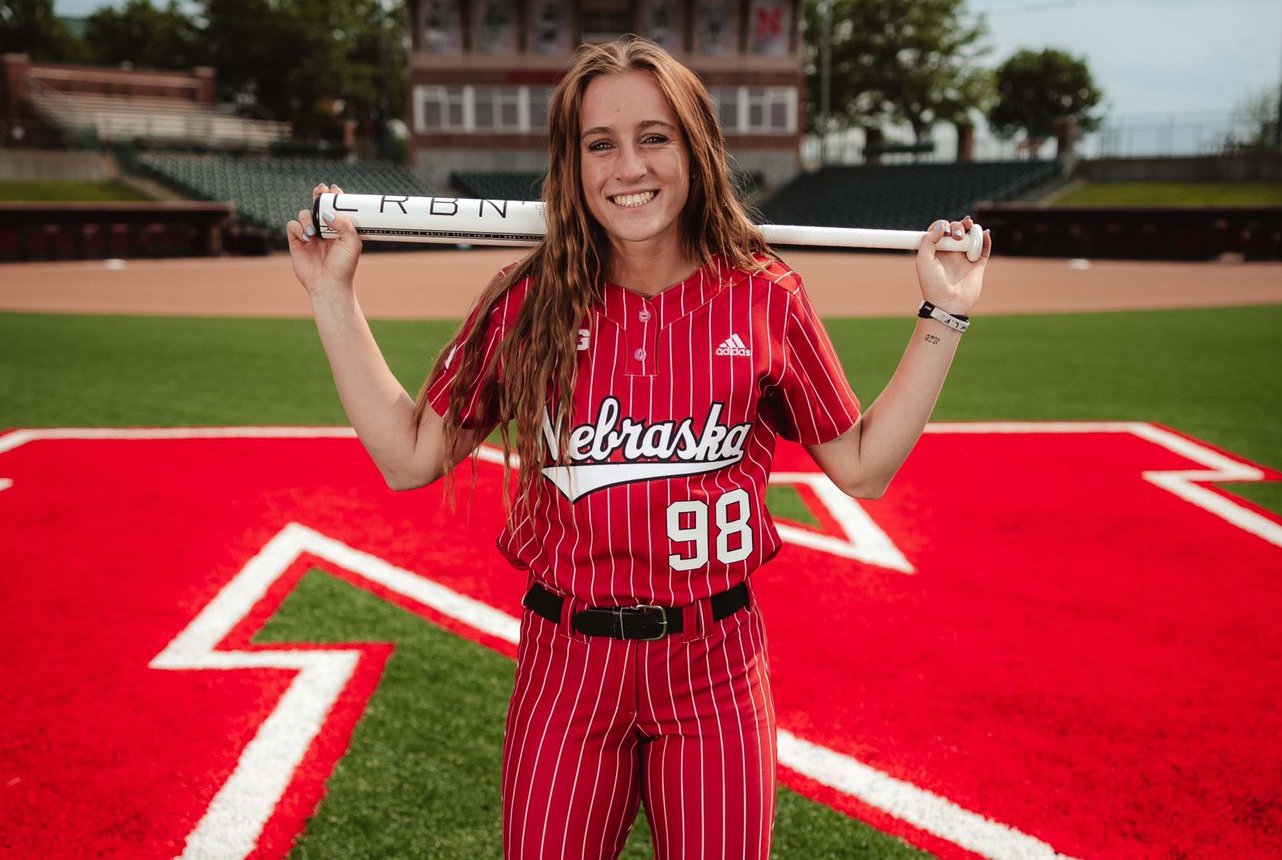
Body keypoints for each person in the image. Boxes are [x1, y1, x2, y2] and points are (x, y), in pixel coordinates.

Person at [286, 35, 989, 860]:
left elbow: (863, 469)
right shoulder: (529, 302)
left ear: (696, 148)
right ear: (573, 165)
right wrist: (331, 293)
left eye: (655, 136)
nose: (630, 167)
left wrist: (946, 314)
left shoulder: (764, 298)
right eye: (600, 144)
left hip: (715, 664)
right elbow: (410, 457)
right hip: (566, 666)